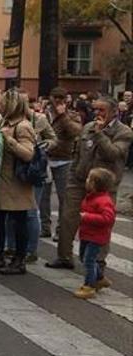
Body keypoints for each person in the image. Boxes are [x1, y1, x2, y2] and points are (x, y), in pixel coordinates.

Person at [46, 96, 133, 274]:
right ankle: (64, 256)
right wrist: (73, 174)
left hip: (104, 186)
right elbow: (77, 153)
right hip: (79, 181)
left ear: (114, 112)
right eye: (95, 110)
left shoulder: (123, 132)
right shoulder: (87, 127)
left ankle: (98, 263)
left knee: (101, 224)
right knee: (68, 218)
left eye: (102, 110)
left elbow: (113, 154)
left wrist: (100, 133)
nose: (97, 114)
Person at [0, 90, 36, 275]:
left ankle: (19, 259)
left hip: (16, 182)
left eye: (2, 103)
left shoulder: (23, 126)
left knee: (19, 222)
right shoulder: (2, 121)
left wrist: (9, 140)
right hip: (0, 180)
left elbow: (28, 153)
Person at [6, 91, 56, 263]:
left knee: (30, 212)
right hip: (15, 171)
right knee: (12, 211)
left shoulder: (38, 119)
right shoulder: (7, 120)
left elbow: (52, 138)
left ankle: (30, 250)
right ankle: (11, 246)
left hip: (33, 171)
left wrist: (42, 148)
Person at [39, 87, 83, 241]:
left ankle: (60, 230)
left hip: (65, 160)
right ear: (50, 98)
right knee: (43, 196)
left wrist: (63, 116)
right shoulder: (42, 115)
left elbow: (76, 132)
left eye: (61, 97)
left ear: (67, 99)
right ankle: (44, 227)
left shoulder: (72, 115)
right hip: (45, 158)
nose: (58, 100)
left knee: (64, 197)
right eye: (55, 97)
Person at [74, 168, 117, 299]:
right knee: (83, 257)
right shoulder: (91, 197)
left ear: (95, 184)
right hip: (87, 234)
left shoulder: (104, 201)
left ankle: (89, 286)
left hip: (96, 236)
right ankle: (99, 278)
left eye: (89, 179)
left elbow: (108, 219)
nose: (86, 181)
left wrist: (86, 216)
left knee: (89, 260)